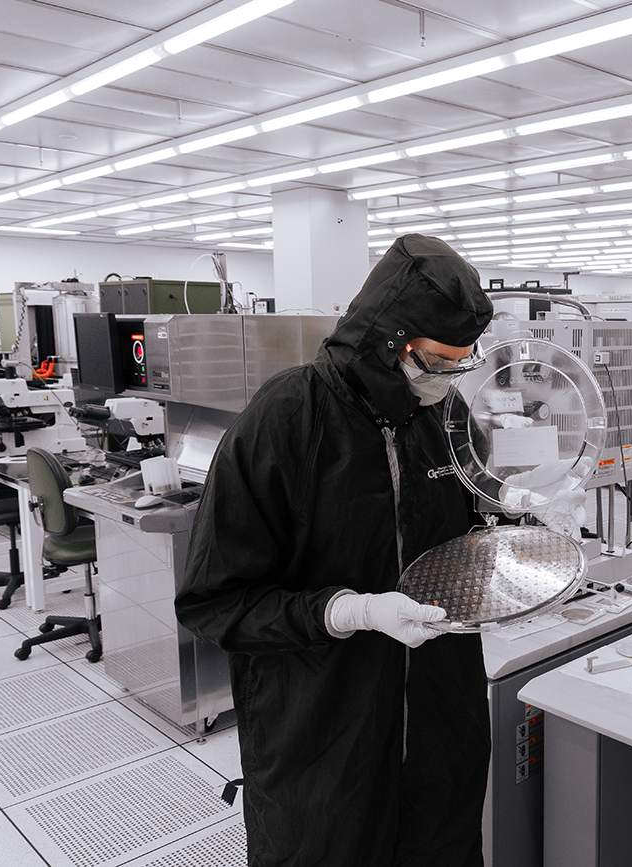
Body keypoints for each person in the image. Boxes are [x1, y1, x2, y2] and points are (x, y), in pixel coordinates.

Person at [176, 233, 494, 867]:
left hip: (438, 714)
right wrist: (349, 611)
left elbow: (469, 527)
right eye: (436, 360)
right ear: (388, 341)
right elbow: (215, 601)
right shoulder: (286, 418)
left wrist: (515, 523)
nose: (449, 378)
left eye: (464, 360)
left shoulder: (444, 415)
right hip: (322, 729)